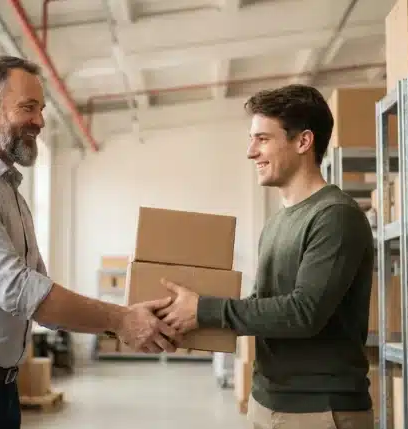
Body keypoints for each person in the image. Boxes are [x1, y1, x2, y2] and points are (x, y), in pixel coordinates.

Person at [0, 54, 178, 429]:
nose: (40, 121)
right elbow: (18, 289)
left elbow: (38, 292)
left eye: (41, 109)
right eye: (28, 107)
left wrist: (124, 321)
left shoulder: (8, 191)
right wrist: (121, 319)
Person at [156, 84, 375, 429]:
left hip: (319, 409)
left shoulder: (335, 216)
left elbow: (304, 313)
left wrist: (204, 309)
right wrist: (186, 321)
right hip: (267, 400)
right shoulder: (277, 222)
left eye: (262, 139)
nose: (250, 152)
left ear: (303, 142)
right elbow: (263, 305)